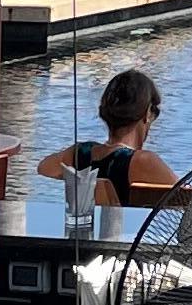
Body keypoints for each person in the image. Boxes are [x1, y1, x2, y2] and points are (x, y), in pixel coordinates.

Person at [38, 68, 176, 229]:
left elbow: (43, 168)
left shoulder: (80, 153)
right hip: (130, 244)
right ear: (147, 113)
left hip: (86, 238)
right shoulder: (143, 161)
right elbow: (190, 199)